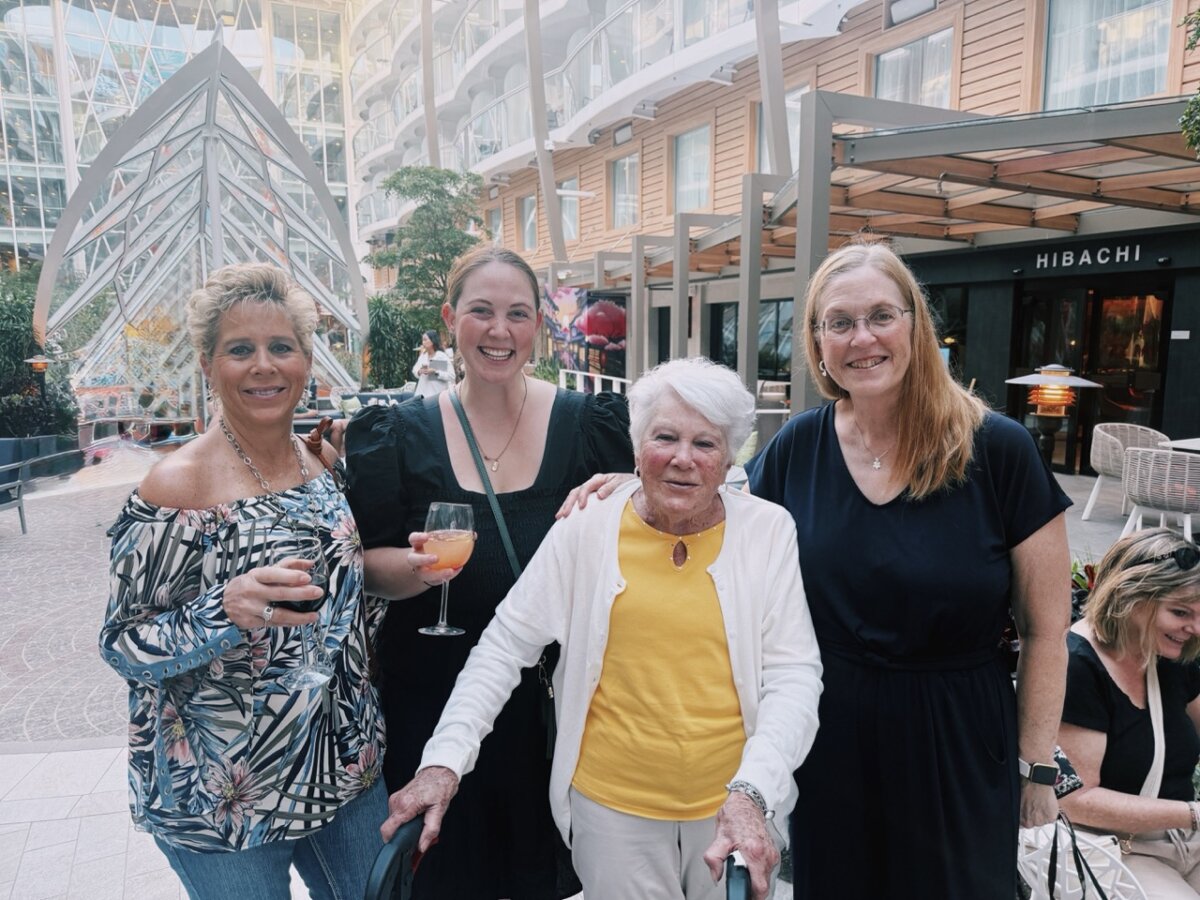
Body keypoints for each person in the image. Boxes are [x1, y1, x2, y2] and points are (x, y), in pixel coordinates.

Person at [559, 240, 1072, 897]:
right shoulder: (798, 447)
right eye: (839, 322)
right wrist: (639, 490)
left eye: (881, 316)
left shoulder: (999, 450)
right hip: (831, 744)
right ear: (818, 341)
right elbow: (721, 527)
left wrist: (1037, 772)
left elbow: (1048, 631)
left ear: (916, 323)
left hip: (957, 740)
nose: (863, 338)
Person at [380, 358, 823, 900]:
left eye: (705, 444)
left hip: (734, 810)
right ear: (637, 449)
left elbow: (794, 676)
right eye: (665, 437)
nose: (683, 459)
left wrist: (754, 793)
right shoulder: (586, 528)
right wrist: (444, 762)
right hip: (613, 814)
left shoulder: (768, 531)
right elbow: (503, 648)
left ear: (729, 457)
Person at [343, 244, 635, 899]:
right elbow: (368, 566)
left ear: (539, 326)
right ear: (451, 318)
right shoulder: (397, 431)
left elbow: (649, 530)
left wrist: (633, 486)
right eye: (480, 311)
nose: (499, 331)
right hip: (430, 701)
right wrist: (418, 570)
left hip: (547, 708)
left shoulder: (592, 426)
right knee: (443, 878)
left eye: (517, 314)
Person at [99, 264, 387, 899]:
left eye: (281, 347)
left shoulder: (317, 460)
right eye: (240, 350)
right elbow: (122, 643)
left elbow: (340, 609)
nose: (264, 365)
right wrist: (221, 611)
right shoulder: (178, 485)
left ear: (307, 361)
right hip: (223, 796)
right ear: (208, 364)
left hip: (342, 768)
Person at [1058, 529, 1200, 897]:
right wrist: (1193, 814)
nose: (1195, 628)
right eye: (1180, 612)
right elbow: (1077, 801)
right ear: (1131, 596)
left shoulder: (1171, 651)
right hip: (1113, 847)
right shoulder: (1078, 666)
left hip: (1184, 840)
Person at [412, 329, 454, 398]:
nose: (423, 343)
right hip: (421, 395)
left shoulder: (441, 356)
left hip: (437, 396)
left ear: (432, 341)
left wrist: (435, 372)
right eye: (423, 340)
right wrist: (419, 371)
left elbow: (451, 376)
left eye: (425, 340)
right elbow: (414, 370)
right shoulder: (423, 356)